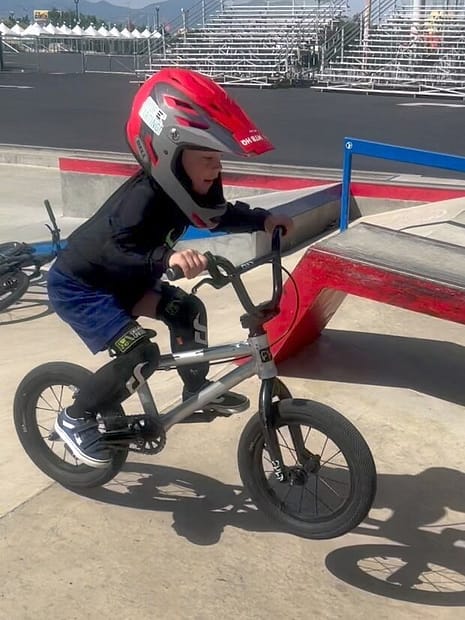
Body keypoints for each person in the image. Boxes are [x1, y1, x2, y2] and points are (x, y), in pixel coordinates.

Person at [47, 67, 293, 468]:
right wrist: (168, 259)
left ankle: (193, 396)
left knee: (187, 310)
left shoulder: (180, 192)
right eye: (208, 159)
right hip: (84, 287)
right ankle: (75, 418)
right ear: (173, 158)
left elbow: (219, 214)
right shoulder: (140, 200)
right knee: (141, 354)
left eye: (218, 160)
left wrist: (262, 220)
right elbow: (113, 253)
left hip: (127, 281)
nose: (217, 169)